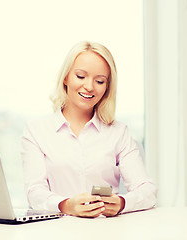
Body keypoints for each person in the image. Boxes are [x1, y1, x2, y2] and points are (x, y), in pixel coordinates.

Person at [21, 41, 157, 218]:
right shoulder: (36, 131)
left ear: (107, 87)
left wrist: (122, 203)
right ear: (66, 77)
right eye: (80, 76)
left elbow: (147, 191)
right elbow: (34, 192)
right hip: (56, 230)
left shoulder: (118, 132)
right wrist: (65, 205)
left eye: (100, 81)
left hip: (106, 231)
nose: (89, 86)